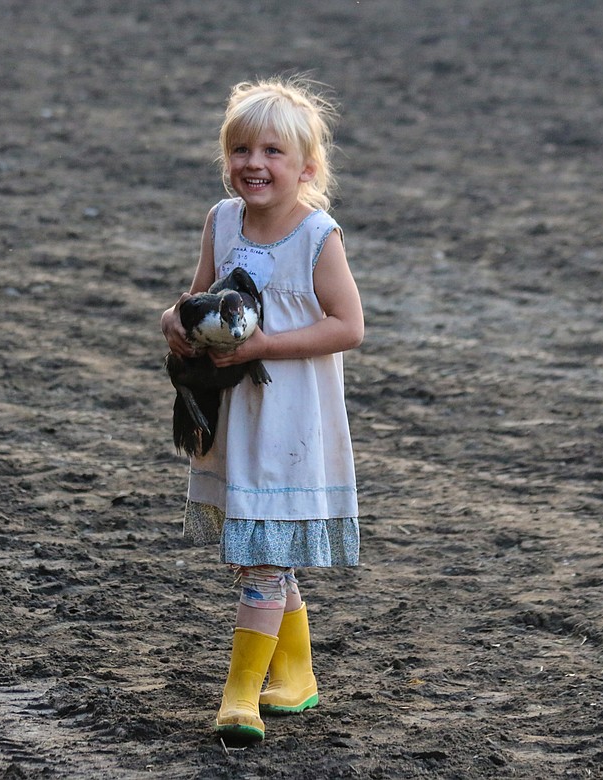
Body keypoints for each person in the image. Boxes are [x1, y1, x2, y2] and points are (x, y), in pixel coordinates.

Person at [160, 75, 364, 744]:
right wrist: (177, 322)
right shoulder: (222, 222)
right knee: (267, 554)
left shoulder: (315, 236)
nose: (254, 163)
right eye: (242, 149)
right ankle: (297, 674)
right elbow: (199, 295)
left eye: (273, 151)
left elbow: (348, 325)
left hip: (289, 426)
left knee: (264, 562)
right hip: (236, 421)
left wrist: (270, 343)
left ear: (306, 168)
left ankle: (242, 693)